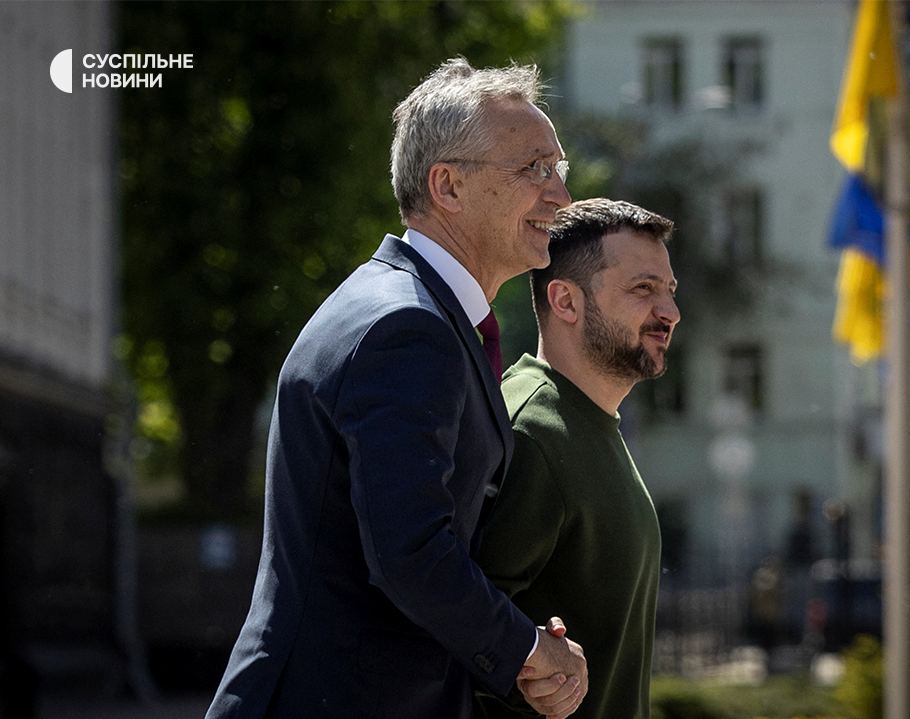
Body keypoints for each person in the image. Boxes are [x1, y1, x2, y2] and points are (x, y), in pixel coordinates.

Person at [206, 58, 588, 719]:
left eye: (559, 169)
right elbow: (409, 552)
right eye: (534, 169)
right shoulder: (408, 328)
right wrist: (527, 649)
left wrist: (518, 642)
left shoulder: (407, 309)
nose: (561, 195)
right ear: (448, 185)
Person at [474, 198, 681, 718]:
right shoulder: (531, 431)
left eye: (670, 291)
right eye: (643, 289)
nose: (670, 313)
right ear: (565, 301)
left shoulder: (589, 423)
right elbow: (455, 633)